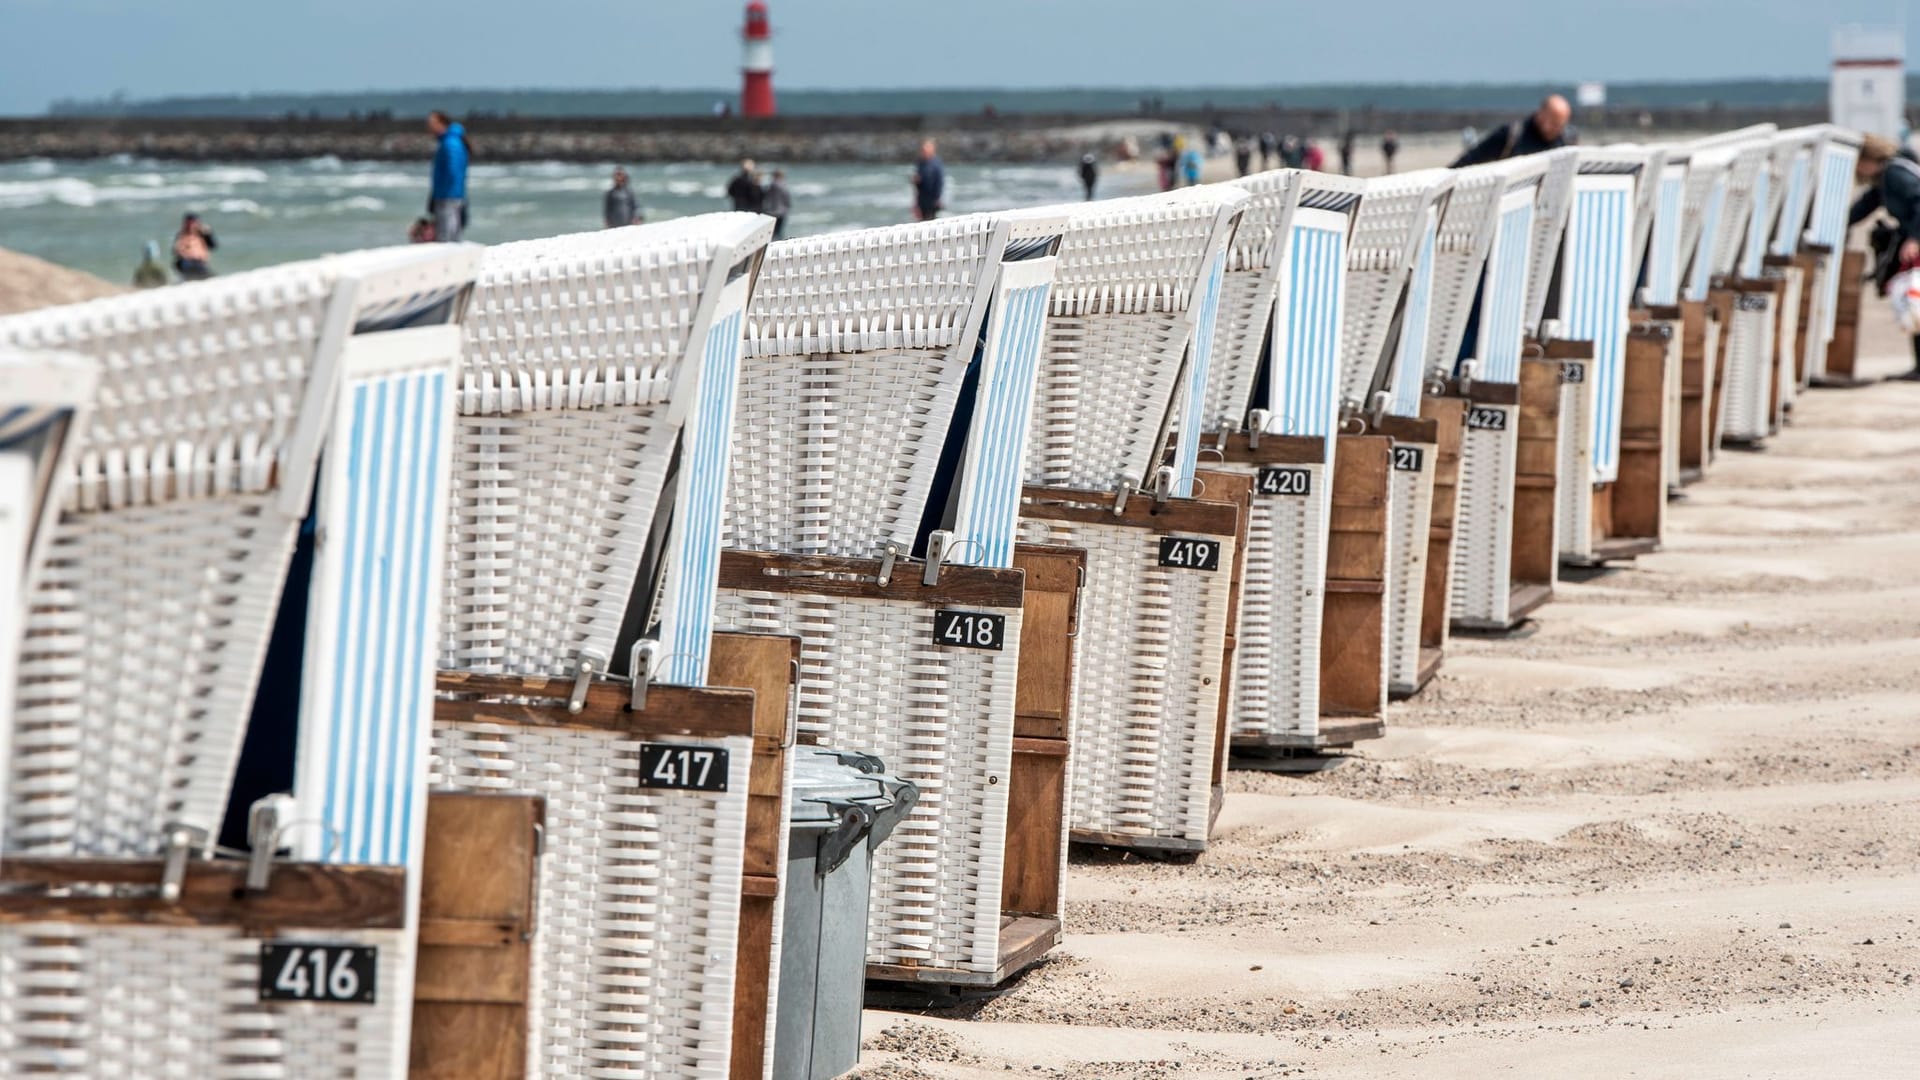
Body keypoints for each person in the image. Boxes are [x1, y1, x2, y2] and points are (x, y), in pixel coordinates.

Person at [1850, 134, 1920, 380]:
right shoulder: (1887, 177)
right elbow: (1865, 206)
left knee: (1915, 301)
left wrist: (1915, 237)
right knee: (1913, 302)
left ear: (1869, 158)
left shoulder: (1895, 175)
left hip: (1915, 242)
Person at [1451, 95, 1572, 168]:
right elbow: (1471, 158)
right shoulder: (1512, 135)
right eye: (1555, 124)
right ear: (1541, 115)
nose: (1558, 129)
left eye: (1561, 125)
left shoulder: (1566, 141)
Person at [426, 110, 469, 242]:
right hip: (449, 194)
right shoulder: (450, 141)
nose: (429, 127)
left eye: (432, 123)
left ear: (442, 123)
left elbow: (453, 171)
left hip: (449, 195)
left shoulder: (451, 143)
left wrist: (443, 192)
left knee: (447, 236)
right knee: (449, 233)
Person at [171, 213, 216, 280]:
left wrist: (209, 234)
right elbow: (175, 251)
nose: (191, 225)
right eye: (189, 223)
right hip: (186, 262)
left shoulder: (202, 234)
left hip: (200, 261)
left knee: (205, 273)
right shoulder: (181, 235)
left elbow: (212, 245)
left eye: (192, 223)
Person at [912, 139, 945, 221]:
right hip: (922, 199)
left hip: (933, 199)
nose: (924, 152)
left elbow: (940, 182)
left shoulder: (936, 164)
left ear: (932, 150)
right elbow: (917, 184)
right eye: (923, 150)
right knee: (921, 222)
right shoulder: (920, 163)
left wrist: (938, 198)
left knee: (932, 222)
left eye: (926, 149)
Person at [763, 168, 792, 239]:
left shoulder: (772, 185)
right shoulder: (784, 185)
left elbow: (767, 198)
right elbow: (787, 198)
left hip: (773, 211)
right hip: (782, 211)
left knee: (773, 232)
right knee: (779, 231)